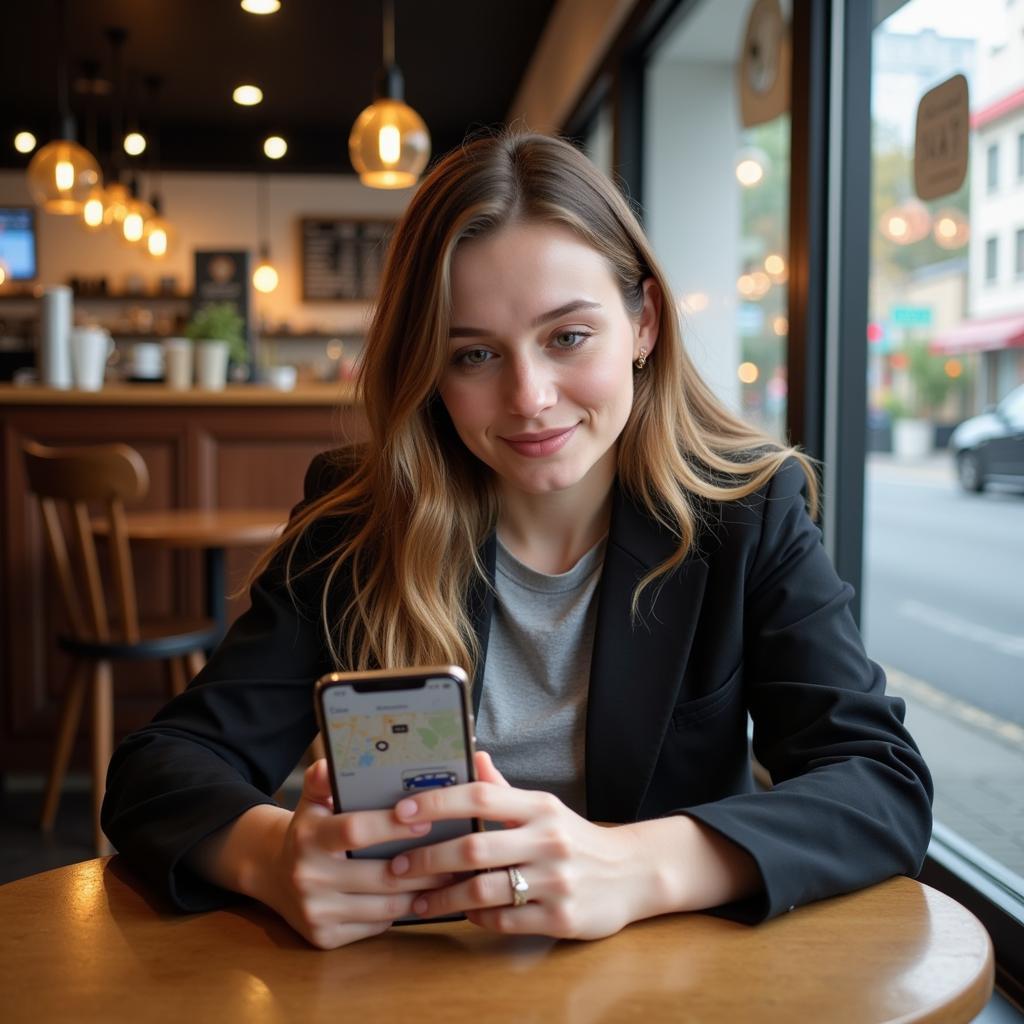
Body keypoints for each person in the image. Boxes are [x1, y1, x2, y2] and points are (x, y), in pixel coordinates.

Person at [102, 131, 933, 950]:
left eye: (568, 337)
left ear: (642, 323)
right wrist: (273, 857)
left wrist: (634, 864)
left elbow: (878, 783)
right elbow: (159, 767)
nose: (529, 397)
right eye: (473, 355)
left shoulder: (748, 510)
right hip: (411, 987)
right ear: (430, 367)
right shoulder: (358, 520)